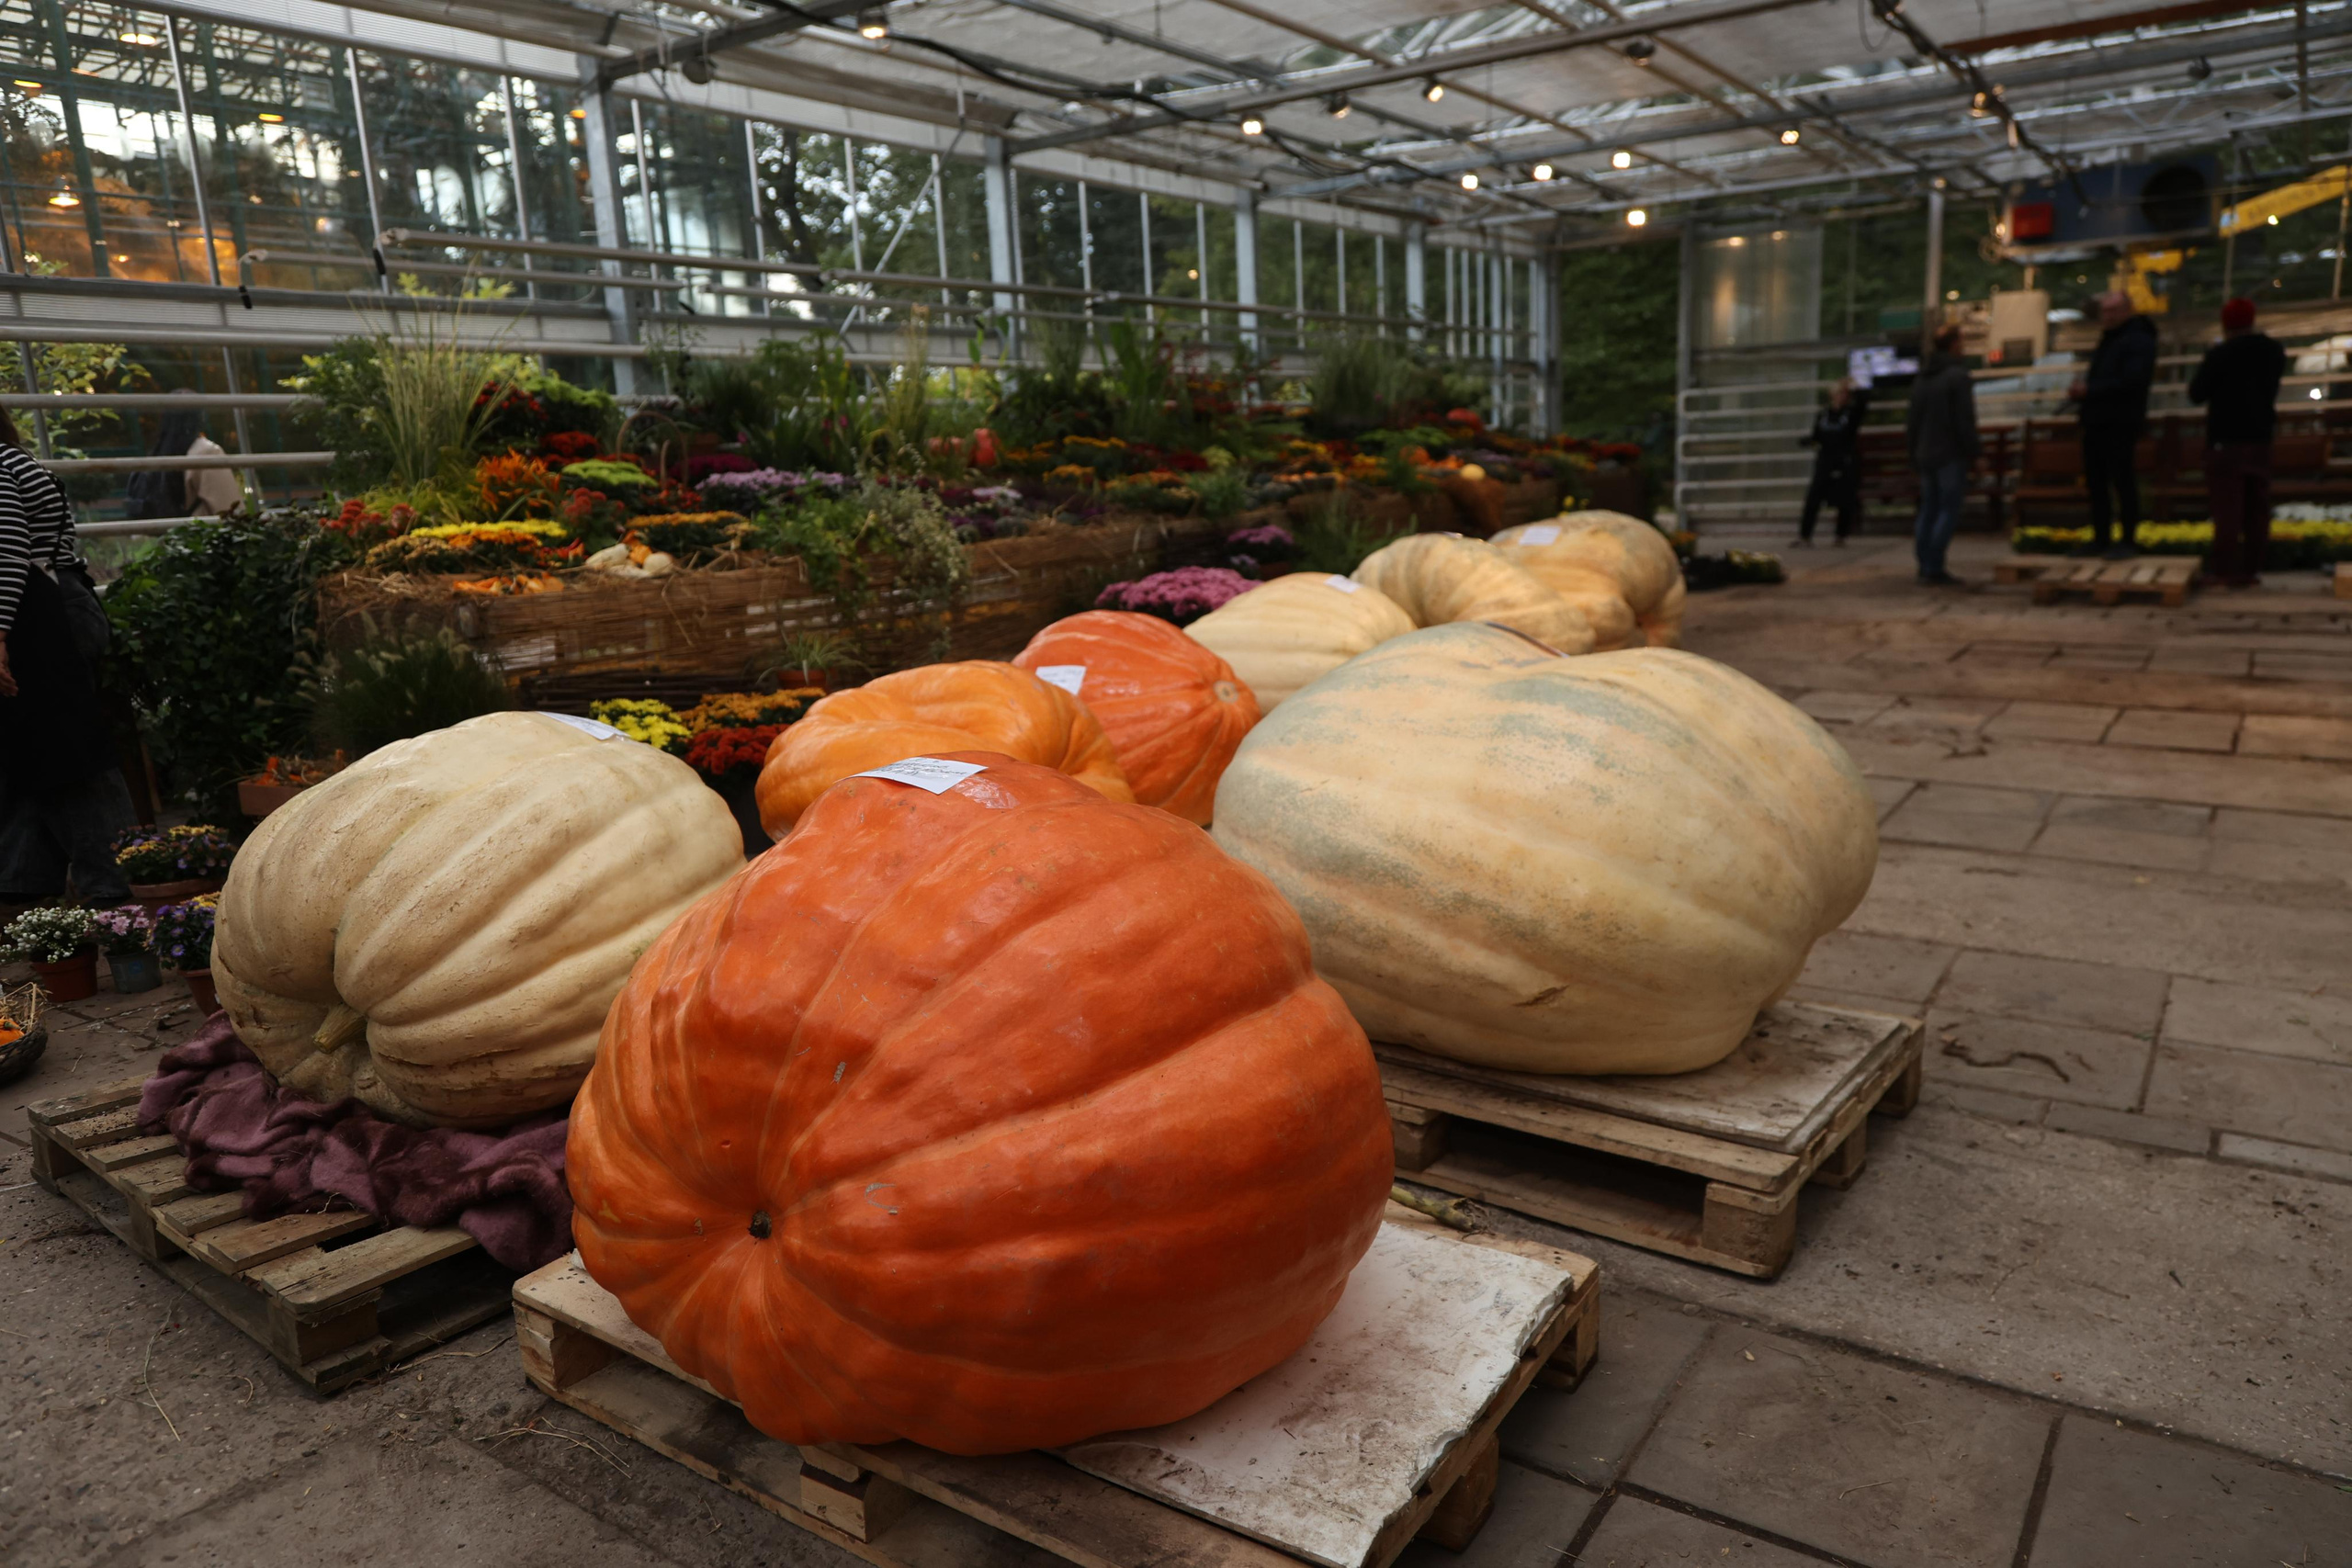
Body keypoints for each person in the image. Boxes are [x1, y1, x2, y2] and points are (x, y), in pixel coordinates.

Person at [0, 407, 138, 912]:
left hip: (39, 615)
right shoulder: (15, 459)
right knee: (33, 747)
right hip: (48, 608)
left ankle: (116, 885)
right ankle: (26, 888)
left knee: (66, 749)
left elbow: (8, 548)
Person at [2188, 297, 2287, 589]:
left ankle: (2223, 570)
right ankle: (2251, 569)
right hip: (2260, 438)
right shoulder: (2272, 351)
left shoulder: (2221, 354)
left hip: (2226, 440)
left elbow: (2196, 393)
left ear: (2226, 323)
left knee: (2227, 508)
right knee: (2257, 506)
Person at [2069, 291, 2159, 558]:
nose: (2106, 317)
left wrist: (2091, 391)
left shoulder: (2138, 340)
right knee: (2096, 481)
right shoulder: (2111, 340)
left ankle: (2128, 539)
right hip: (2098, 420)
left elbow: (2132, 381)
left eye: (2112, 311)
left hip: (2120, 421)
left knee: (2122, 479)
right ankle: (2101, 537)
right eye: (2104, 312)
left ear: (2126, 311)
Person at [1905, 324, 1976, 586]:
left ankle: (1925, 562)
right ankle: (1934, 564)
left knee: (1929, 508)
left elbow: (1913, 421)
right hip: (1949, 453)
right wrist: (1974, 452)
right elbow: (1964, 420)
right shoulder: (1957, 376)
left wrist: (1913, 452)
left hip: (1926, 453)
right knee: (1947, 508)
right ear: (1955, 344)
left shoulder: (1923, 378)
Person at [1796, 378, 1869, 547]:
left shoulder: (1851, 414)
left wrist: (1854, 386)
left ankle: (1840, 536)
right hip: (1825, 461)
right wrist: (1808, 441)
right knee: (1814, 497)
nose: (1841, 397)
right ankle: (1805, 536)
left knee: (1845, 498)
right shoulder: (1824, 414)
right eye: (1838, 393)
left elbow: (1864, 402)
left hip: (1844, 461)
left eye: (1844, 394)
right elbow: (1817, 436)